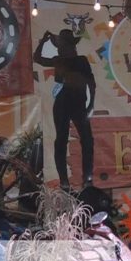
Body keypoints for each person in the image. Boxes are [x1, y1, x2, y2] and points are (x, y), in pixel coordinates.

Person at [33, 29, 96, 191]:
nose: (61, 49)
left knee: (87, 140)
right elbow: (37, 58)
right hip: (62, 103)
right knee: (61, 140)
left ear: (71, 47)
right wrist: (43, 40)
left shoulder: (81, 61)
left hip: (79, 104)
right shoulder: (58, 60)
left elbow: (91, 83)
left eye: (64, 46)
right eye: (60, 46)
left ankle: (87, 178)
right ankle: (64, 180)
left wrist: (91, 104)